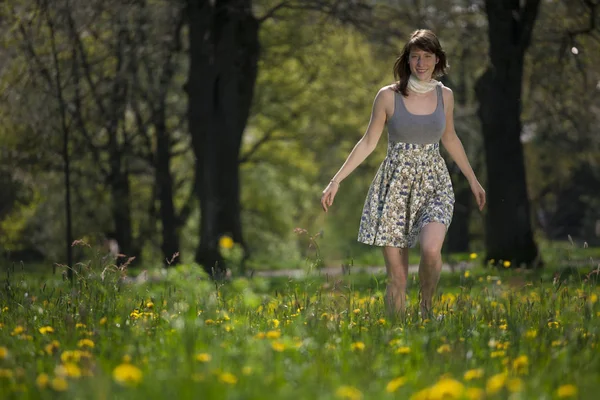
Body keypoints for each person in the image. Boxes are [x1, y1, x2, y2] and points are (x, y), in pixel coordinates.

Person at [320, 29, 485, 319]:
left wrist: (473, 180)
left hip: (434, 182)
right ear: (407, 60)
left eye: (427, 57)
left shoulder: (445, 96)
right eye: (415, 57)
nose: (421, 63)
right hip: (394, 187)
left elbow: (450, 138)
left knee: (432, 250)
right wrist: (336, 180)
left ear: (437, 60)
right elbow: (368, 142)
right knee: (397, 278)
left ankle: (426, 310)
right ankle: (395, 333)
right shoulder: (388, 96)